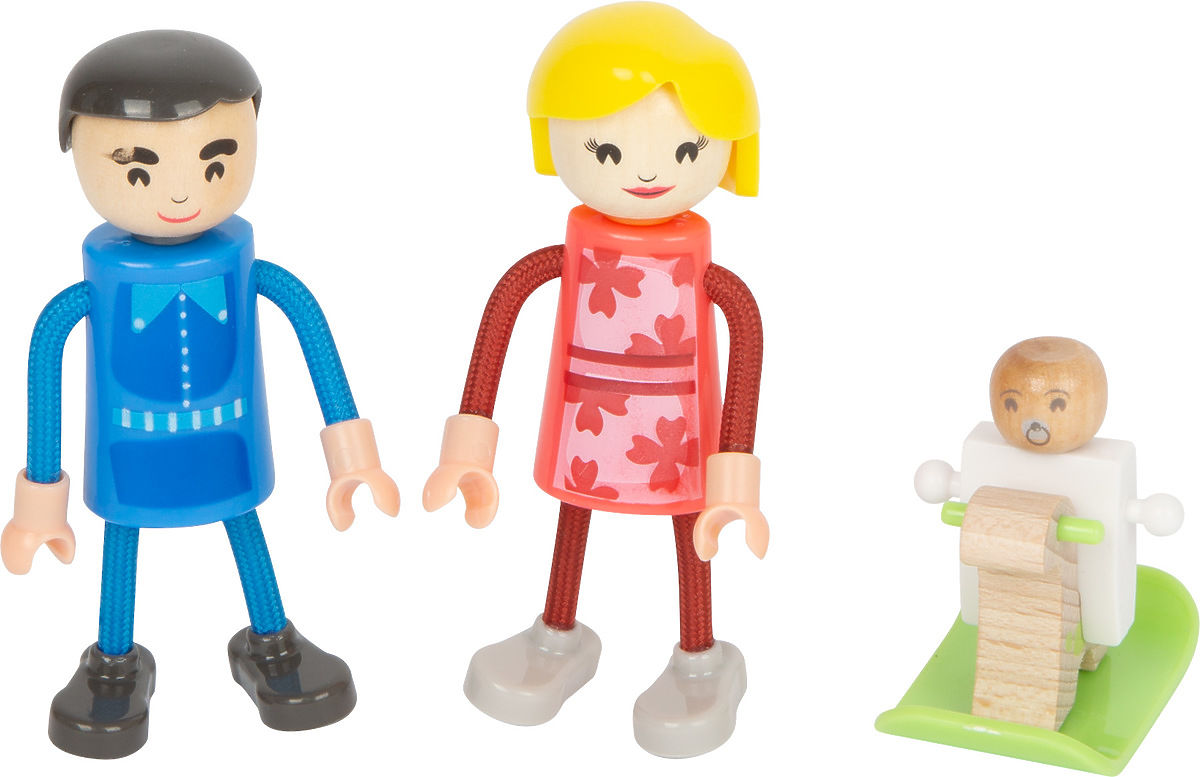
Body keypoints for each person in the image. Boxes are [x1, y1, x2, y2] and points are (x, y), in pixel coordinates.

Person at [1, 30, 399, 759]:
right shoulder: (100, 279)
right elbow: (45, 362)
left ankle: (271, 642)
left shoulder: (242, 262)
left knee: (242, 519)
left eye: (215, 163)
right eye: (140, 171)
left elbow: (312, 333)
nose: (182, 192)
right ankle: (114, 661)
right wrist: (40, 508)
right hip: (130, 443)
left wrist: (354, 462)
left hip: (228, 437)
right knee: (124, 536)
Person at [423, 3, 767, 758]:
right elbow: (501, 320)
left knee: (691, 527)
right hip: (586, 423)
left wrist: (735, 484)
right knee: (574, 510)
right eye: (607, 150)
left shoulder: (707, 273)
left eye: (685, 149)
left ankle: (701, 653)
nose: (644, 173)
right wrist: (469, 452)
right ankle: (557, 632)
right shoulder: (566, 257)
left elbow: (745, 339)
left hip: (681, 435)